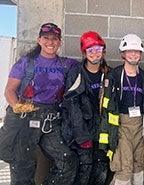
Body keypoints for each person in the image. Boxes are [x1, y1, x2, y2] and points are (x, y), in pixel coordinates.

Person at [0, 22, 79, 185]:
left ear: (60, 42)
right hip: (26, 118)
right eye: (46, 38)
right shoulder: (26, 63)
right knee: (23, 167)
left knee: (68, 161)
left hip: (51, 121)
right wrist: (17, 106)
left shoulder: (67, 64)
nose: (50, 42)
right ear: (39, 40)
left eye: (55, 38)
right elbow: (9, 91)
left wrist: (104, 68)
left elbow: (89, 67)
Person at [99, 33, 144, 185]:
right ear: (123, 53)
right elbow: (105, 109)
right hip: (121, 126)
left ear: (141, 54)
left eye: (136, 51)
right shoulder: (113, 77)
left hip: (140, 126)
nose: (133, 54)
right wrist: (106, 138)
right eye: (130, 51)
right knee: (124, 166)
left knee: (139, 163)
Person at [61, 31, 113, 185]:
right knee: (84, 169)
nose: (94, 53)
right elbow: (72, 106)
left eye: (98, 49)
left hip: (102, 131)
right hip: (82, 131)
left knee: (101, 170)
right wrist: (82, 137)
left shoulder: (109, 74)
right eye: (90, 50)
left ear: (103, 51)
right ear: (84, 53)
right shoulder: (76, 73)